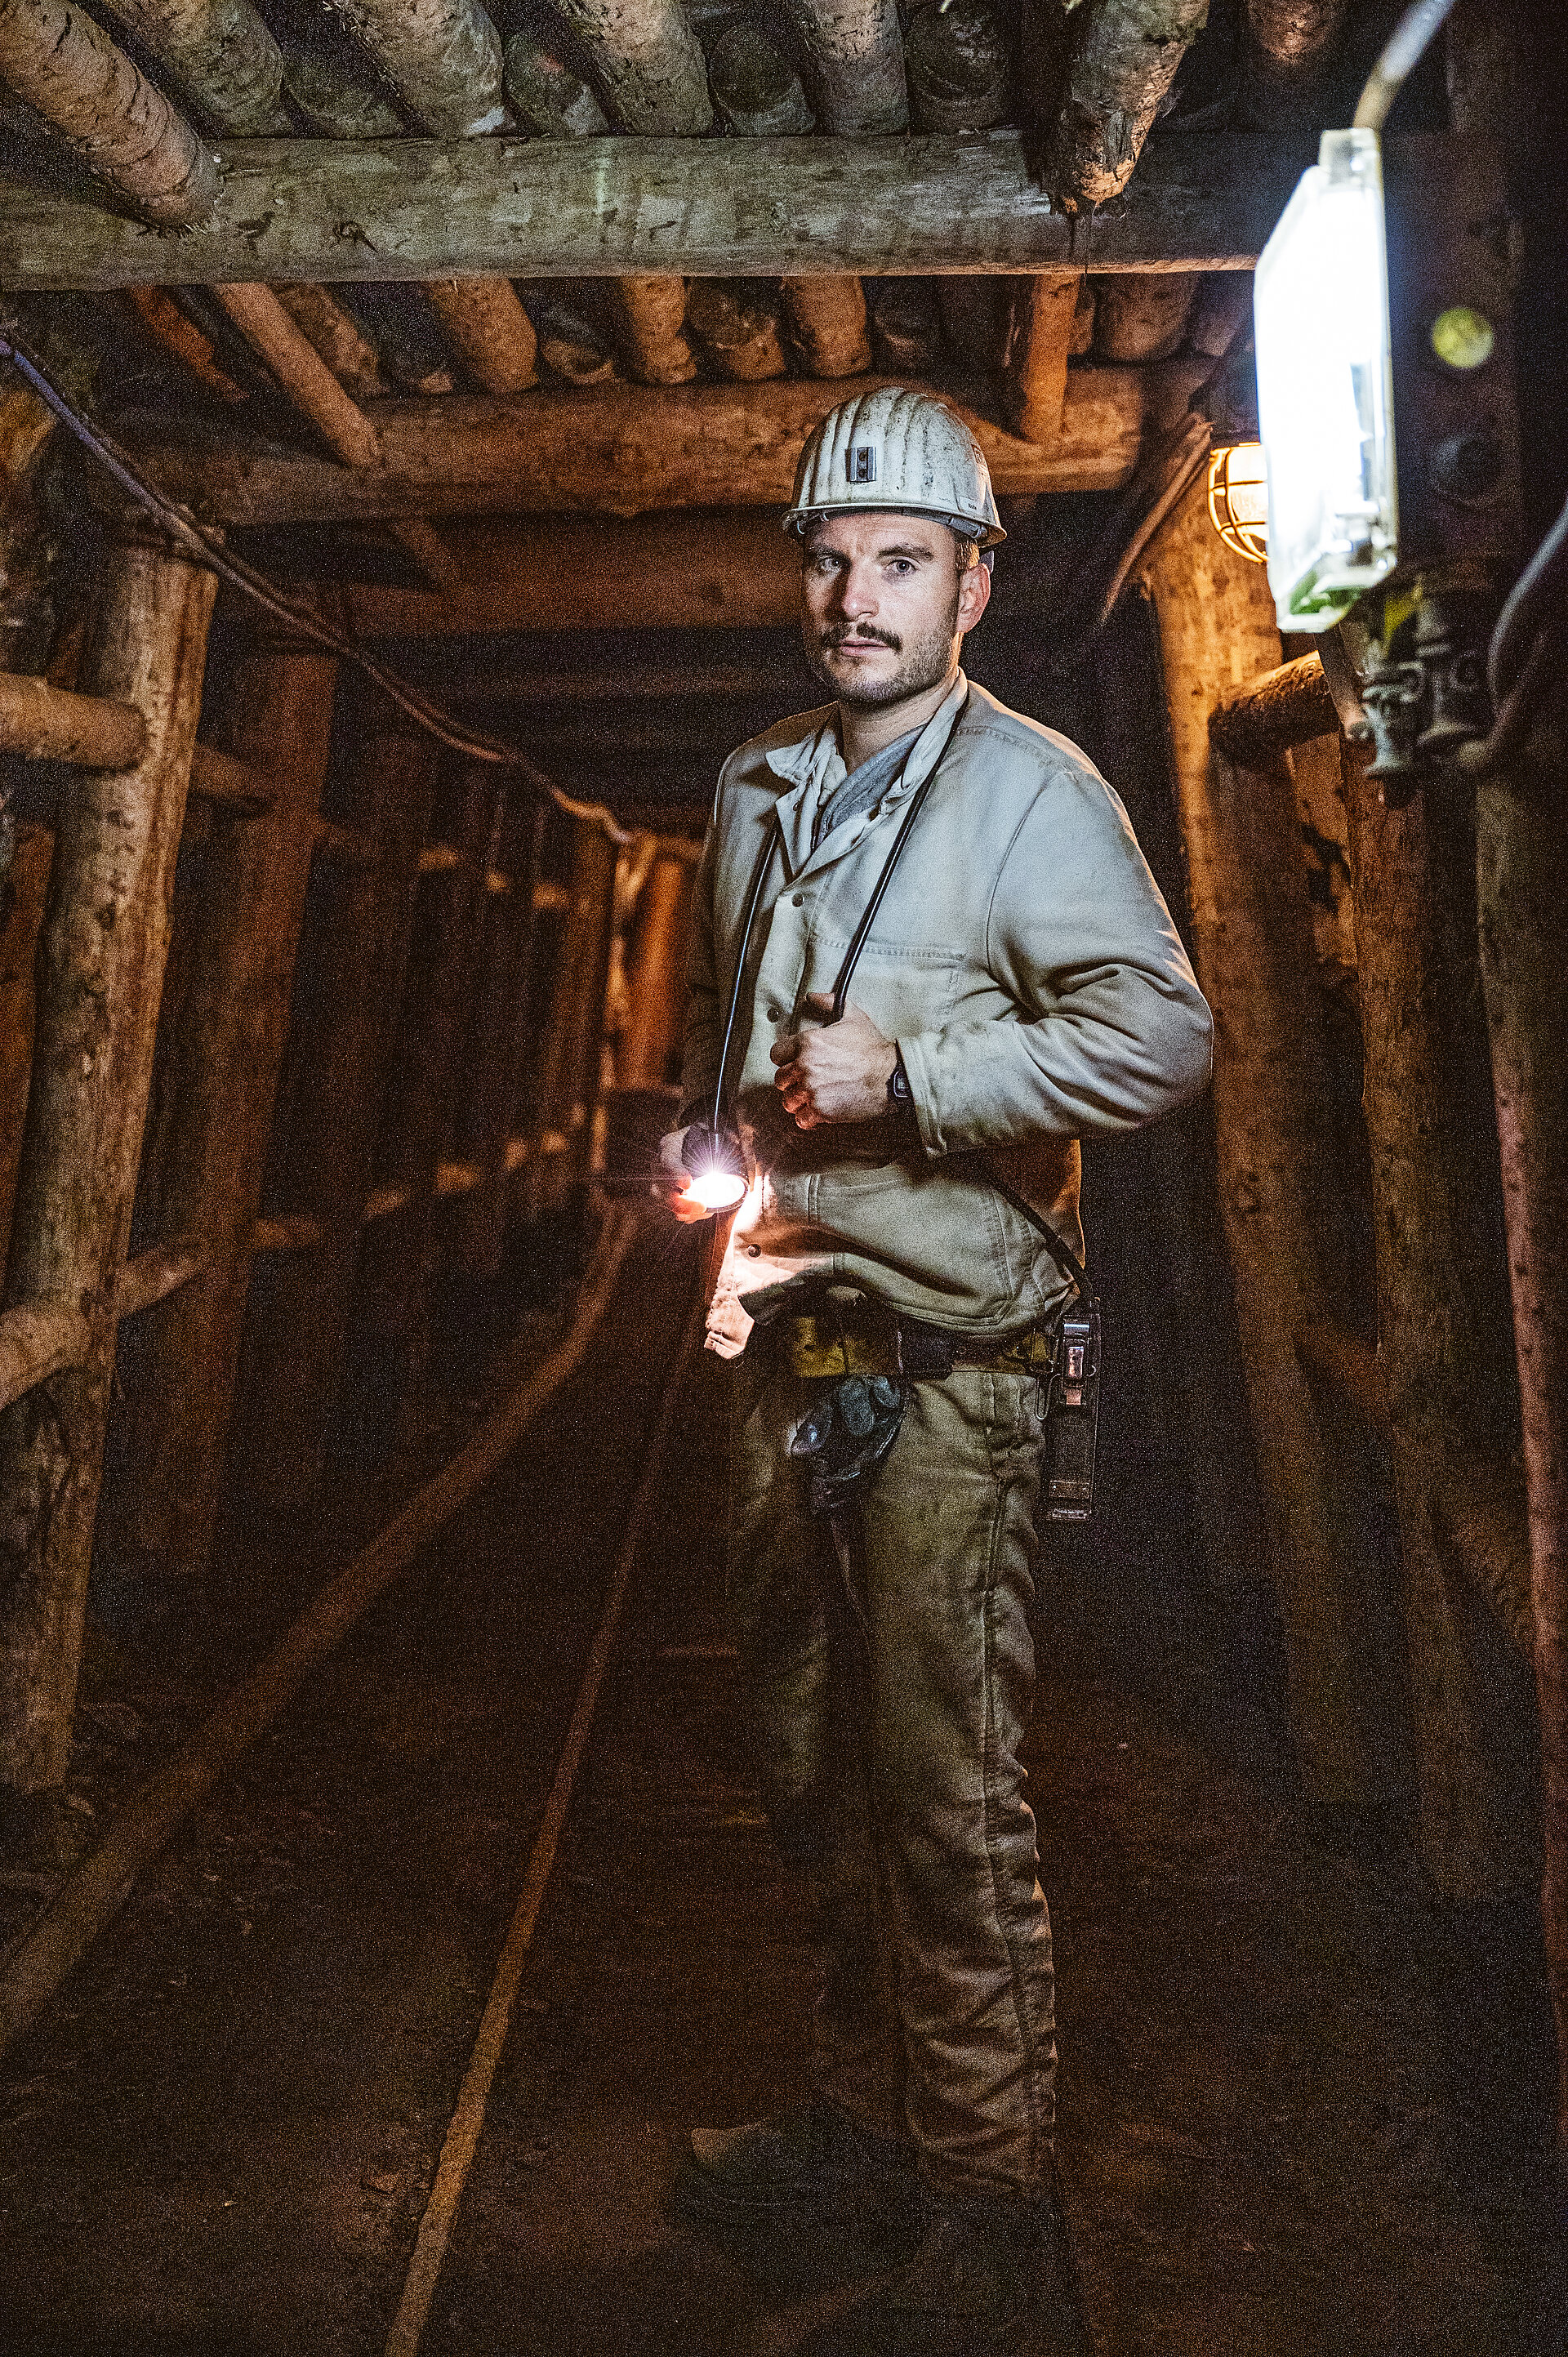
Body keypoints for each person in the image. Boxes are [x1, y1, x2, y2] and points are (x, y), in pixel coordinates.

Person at [658, 385, 1212, 2355]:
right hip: (791, 1330)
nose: (852, 593)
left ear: (973, 584)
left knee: (939, 1785)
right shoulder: (751, 786)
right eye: (828, 555)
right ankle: (861, 2130)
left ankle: (993, 2232)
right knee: (807, 1757)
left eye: (900, 560)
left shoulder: (1036, 795)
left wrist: (930, 1081)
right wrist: (711, 1146)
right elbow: (741, 1040)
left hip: (948, 1360)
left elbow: (1161, 1041)